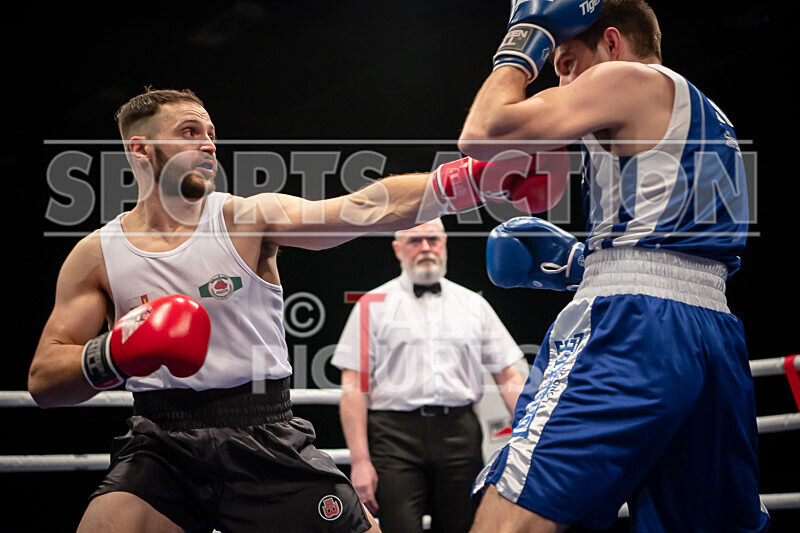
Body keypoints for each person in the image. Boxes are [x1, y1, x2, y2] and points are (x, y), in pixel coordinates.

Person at [28, 87, 564, 532]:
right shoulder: (98, 254)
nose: (209, 145)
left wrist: (471, 180)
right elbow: (44, 381)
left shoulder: (246, 218)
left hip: (262, 430)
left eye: (212, 133)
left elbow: (358, 210)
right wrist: (117, 354)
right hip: (160, 442)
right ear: (141, 149)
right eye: (191, 132)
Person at [457, 1, 770, 532]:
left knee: (509, 520)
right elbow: (683, 252)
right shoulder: (709, 115)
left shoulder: (628, 77)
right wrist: (584, 262)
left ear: (612, 43)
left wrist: (523, 40)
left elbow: (483, 131)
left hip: (631, 328)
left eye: (565, 59)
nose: (559, 76)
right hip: (712, 337)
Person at [332, 218, 526, 533]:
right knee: (399, 527)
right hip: (393, 436)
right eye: (415, 241)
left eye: (433, 240)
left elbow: (508, 375)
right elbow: (353, 387)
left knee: (463, 527)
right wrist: (359, 461)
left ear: (445, 243)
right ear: (397, 249)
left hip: (459, 432)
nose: (425, 248)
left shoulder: (474, 305)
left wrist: (530, 436)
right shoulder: (372, 305)